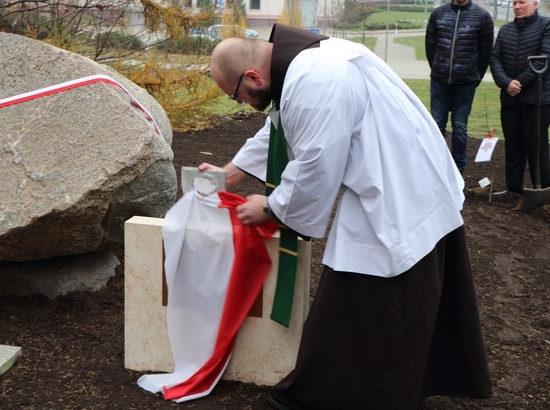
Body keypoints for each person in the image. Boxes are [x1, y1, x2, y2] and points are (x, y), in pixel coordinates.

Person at [201, 23, 492, 409]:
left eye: (234, 95)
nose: (239, 103)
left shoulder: (317, 78)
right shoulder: (310, 62)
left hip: (398, 188)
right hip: (404, 174)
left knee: (374, 294)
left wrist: (271, 207)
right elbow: (282, 129)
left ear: (252, 76)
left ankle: (344, 394)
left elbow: (317, 164)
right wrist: (230, 173)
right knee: (375, 286)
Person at [490, 0, 550, 196]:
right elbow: (495, 58)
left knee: (536, 147)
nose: (517, 7)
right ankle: (514, 189)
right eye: (514, 3)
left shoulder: (548, 26)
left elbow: (547, 59)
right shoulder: (506, 30)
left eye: (522, 2)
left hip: (537, 100)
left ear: (535, 4)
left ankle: (542, 189)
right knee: (513, 147)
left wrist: (518, 82)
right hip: (510, 100)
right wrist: (506, 83)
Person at [425, 0, 494, 174]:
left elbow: (486, 52)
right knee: (436, 125)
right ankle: (434, 167)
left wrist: (474, 77)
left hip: (465, 83)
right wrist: (438, 67)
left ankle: (457, 170)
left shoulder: (482, 17)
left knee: (460, 128)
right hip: (439, 81)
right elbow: (431, 46)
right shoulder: (438, 14)